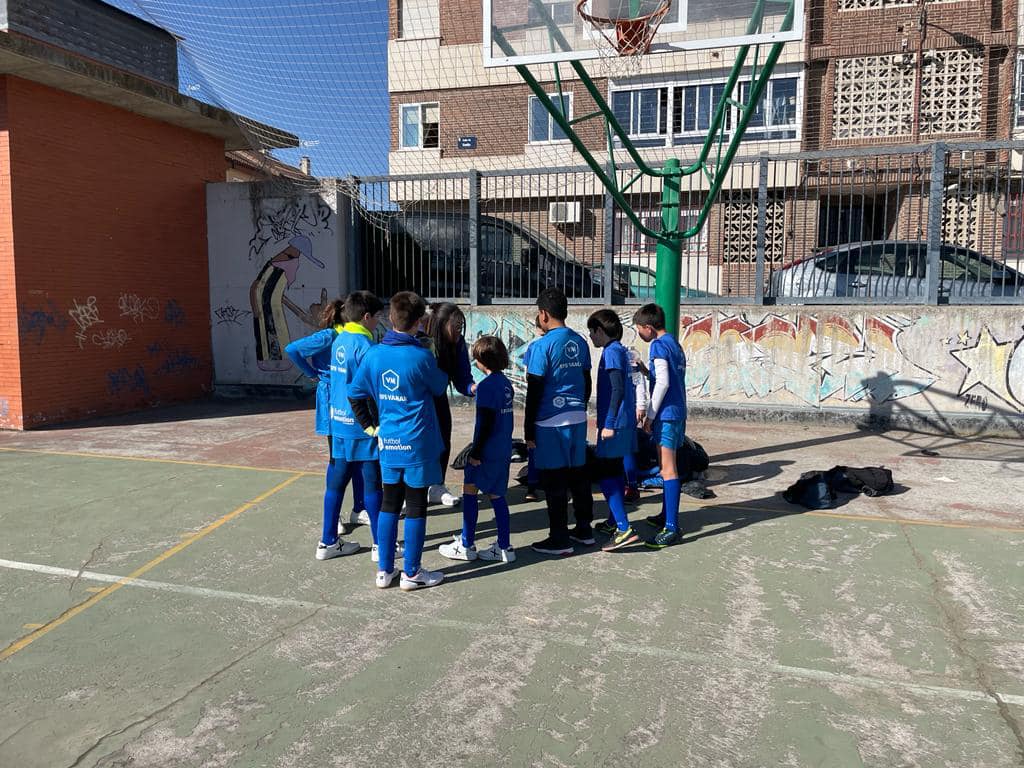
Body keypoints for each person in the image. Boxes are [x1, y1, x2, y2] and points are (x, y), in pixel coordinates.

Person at [349, 291, 450, 591]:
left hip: (388, 442)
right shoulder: (421, 356)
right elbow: (440, 386)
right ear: (419, 322)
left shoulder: (374, 354)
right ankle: (413, 573)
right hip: (417, 443)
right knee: (416, 504)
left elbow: (355, 393)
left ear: (391, 318)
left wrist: (370, 427)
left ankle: (384, 570)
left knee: (390, 502)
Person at [284, 298, 363, 560]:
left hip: (344, 397)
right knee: (337, 458)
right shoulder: (329, 336)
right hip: (331, 397)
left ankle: (359, 507)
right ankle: (335, 518)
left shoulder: (349, 337)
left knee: (356, 458)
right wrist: (312, 372)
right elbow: (292, 348)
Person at [327, 290, 396, 564]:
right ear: (366, 317)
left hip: (339, 424)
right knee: (373, 486)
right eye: (377, 317)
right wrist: (376, 424)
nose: (379, 322)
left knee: (336, 484)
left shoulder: (339, 339)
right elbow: (370, 391)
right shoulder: (366, 347)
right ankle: (381, 545)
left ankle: (327, 540)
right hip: (361, 428)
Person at [524, 288, 594, 555]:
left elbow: (535, 389)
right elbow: (587, 382)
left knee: (554, 481)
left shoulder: (541, 346)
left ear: (543, 314)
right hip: (577, 418)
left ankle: (559, 538)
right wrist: (578, 406)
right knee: (578, 475)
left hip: (549, 421)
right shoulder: (580, 341)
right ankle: (584, 530)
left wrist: (528, 428)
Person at [438, 336, 516, 564]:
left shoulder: (486, 387)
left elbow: (484, 423)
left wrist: (475, 454)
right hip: (502, 450)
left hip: (486, 453)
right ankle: (504, 546)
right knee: (498, 496)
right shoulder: (505, 384)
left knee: (469, 490)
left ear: (482, 361)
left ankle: (466, 543)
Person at [633, 303, 688, 549]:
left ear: (648, 327)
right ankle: (666, 516)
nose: (639, 335)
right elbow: (667, 377)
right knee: (668, 467)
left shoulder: (657, 345)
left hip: (666, 414)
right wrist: (646, 370)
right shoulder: (674, 344)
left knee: (668, 469)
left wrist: (650, 416)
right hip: (678, 411)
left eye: (639, 330)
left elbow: (663, 383)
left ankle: (672, 527)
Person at [586, 310, 640, 551]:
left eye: (592, 331)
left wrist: (608, 423)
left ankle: (623, 527)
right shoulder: (618, 351)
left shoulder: (612, 353)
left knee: (606, 474)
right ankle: (612, 520)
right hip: (621, 422)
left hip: (615, 425)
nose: (590, 336)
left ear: (600, 330)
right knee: (615, 470)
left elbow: (617, 390)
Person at [421, 302, 475, 507]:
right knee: (418, 447)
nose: (459, 329)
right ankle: (406, 494)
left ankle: (437, 486)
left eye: (461, 325)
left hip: (439, 397)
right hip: (417, 402)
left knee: (443, 441)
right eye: (456, 325)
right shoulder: (423, 341)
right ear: (441, 323)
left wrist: (472, 388)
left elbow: (463, 376)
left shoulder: (458, 343)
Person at [624, 347, 650, 503]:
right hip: (619, 412)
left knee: (627, 449)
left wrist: (640, 406)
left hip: (627, 411)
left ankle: (631, 486)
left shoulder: (630, 358)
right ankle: (628, 484)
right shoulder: (613, 355)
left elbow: (639, 381)